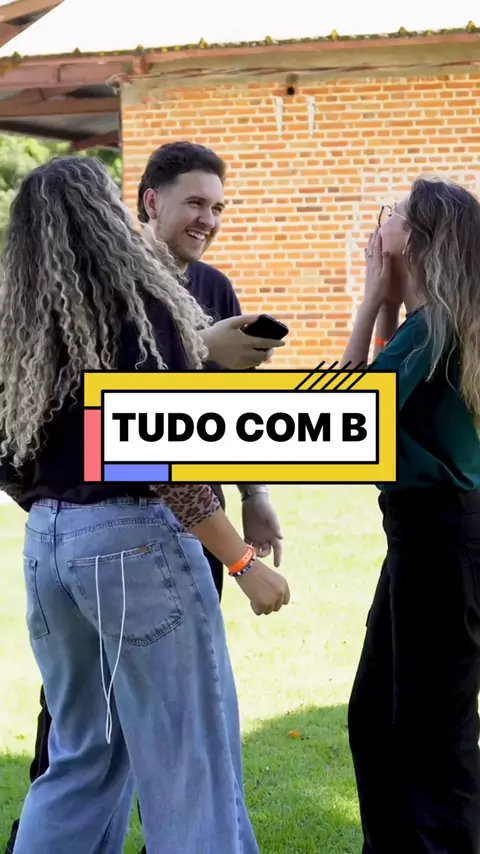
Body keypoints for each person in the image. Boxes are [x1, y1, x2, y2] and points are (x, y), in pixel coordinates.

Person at [0, 154, 290, 854]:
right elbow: (165, 462)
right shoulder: (144, 306)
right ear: (111, 216)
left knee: (80, 760)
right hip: (136, 546)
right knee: (192, 767)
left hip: (49, 547)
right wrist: (243, 562)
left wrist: (63, 511)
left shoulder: (16, 325)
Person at [343, 177, 480, 854]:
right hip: (424, 536)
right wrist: (389, 307)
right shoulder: (431, 326)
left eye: (390, 215)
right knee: (376, 717)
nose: (379, 225)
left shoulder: (436, 328)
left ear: (418, 241)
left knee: (431, 740)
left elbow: (345, 426)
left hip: (440, 539)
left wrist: (373, 296)